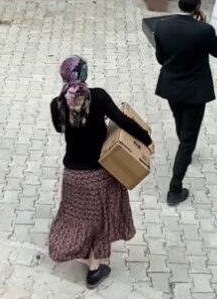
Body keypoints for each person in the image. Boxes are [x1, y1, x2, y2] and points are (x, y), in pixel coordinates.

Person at [48, 55, 152, 288]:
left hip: (72, 175)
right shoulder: (99, 97)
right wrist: (146, 139)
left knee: (76, 218)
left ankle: (74, 249)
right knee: (101, 220)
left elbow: (59, 127)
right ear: (84, 74)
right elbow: (123, 121)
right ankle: (95, 268)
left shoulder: (56, 104)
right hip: (98, 175)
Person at [153, 0, 217, 206]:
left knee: (179, 120)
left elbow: (160, 58)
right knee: (188, 139)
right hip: (195, 90)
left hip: (171, 87)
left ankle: (185, 152)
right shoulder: (204, 30)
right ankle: (175, 188)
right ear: (198, 7)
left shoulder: (162, 26)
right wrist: (203, 25)